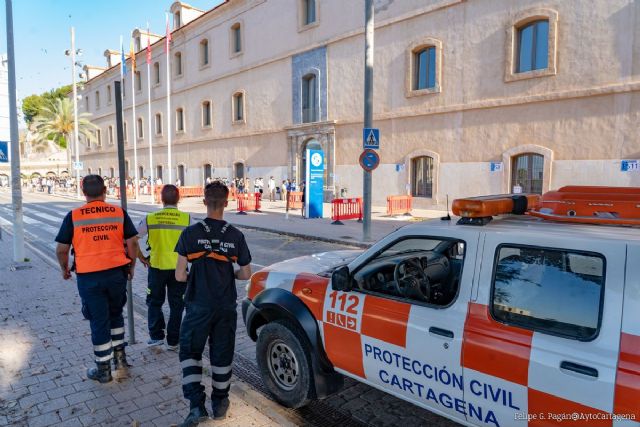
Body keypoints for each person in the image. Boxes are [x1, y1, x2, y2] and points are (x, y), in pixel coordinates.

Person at [175, 181, 252, 426]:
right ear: (226, 203)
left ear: (205, 202)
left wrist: (196, 275)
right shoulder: (235, 235)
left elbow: (179, 275)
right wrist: (230, 275)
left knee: (190, 352)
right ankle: (220, 404)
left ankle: (196, 406)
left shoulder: (190, 233)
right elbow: (246, 273)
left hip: (198, 305)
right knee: (222, 353)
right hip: (225, 306)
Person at [54, 175, 138, 383]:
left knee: (99, 321)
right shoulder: (118, 213)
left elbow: (62, 249)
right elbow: (133, 242)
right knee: (116, 314)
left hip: (89, 277)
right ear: (105, 190)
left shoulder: (73, 216)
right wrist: (132, 265)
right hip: (117, 273)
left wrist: (64, 269)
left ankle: (103, 371)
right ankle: (120, 360)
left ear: (83, 193)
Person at [137, 185, 192, 350]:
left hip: (156, 267)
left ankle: (156, 336)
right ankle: (173, 341)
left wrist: (142, 258)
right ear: (178, 199)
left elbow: (132, 239)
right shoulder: (187, 219)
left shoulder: (150, 218)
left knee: (154, 302)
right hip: (179, 270)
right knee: (177, 305)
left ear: (161, 199)